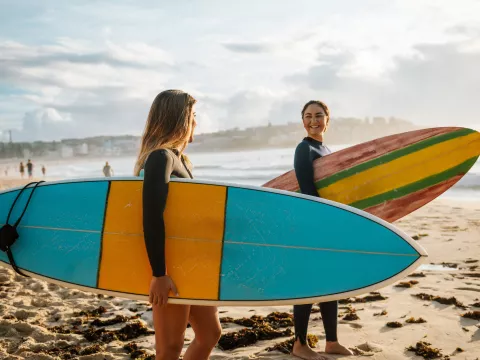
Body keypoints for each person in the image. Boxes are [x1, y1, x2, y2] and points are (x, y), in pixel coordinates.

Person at [133, 90, 221, 360]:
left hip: (190, 262)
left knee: (209, 334)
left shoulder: (180, 159)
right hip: (171, 266)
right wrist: (159, 274)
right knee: (169, 348)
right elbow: (151, 216)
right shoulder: (160, 158)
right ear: (180, 120)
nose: (196, 123)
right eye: (193, 117)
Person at [292, 100, 353, 360]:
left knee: (331, 280)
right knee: (308, 282)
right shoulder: (303, 149)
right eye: (308, 116)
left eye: (318, 115)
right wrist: (324, 221)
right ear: (302, 121)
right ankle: (299, 344)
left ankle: (331, 341)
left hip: (329, 222)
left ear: (328, 118)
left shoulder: (326, 149)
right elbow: (307, 190)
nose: (313, 120)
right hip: (312, 223)